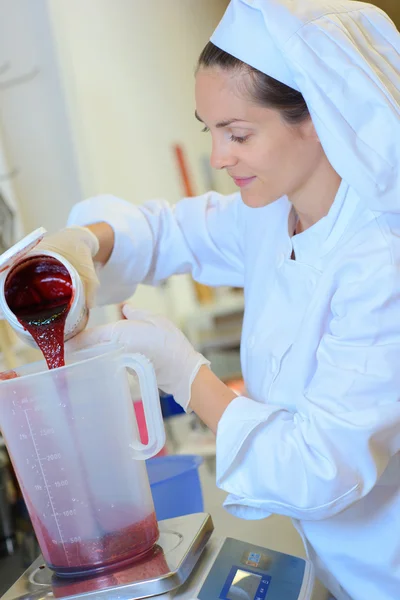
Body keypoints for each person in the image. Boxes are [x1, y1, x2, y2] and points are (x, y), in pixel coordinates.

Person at [38, 1, 400, 598]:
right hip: (339, 572)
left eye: (238, 134)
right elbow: (168, 232)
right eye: (212, 131)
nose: (219, 157)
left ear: (319, 117)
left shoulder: (379, 259)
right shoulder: (273, 213)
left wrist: (185, 373)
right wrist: (82, 245)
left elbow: (321, 468)